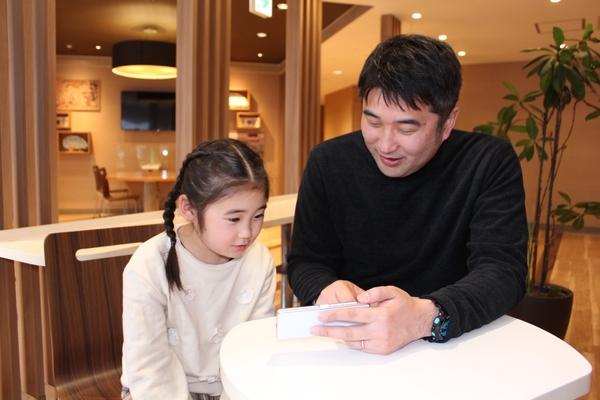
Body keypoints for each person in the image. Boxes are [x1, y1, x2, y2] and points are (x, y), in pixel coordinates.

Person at [287, 34, 528, 355]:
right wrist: (324, 289)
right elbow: (306, 260)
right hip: (350, 341)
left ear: (447, 123)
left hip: (451, 341)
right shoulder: (328, 160)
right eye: (373, 121)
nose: (386, 145)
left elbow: (503, 271)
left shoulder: (487, 161)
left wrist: (424, 317)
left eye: (407, 129)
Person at [121, 138, 276, 400]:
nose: (247, 232)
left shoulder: (259, 260)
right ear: (189, 209)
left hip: (234, 388)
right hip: (161, 390)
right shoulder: (149, 265)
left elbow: (255, 348)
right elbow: (149, 367)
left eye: (258, 215)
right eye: (234, 218)